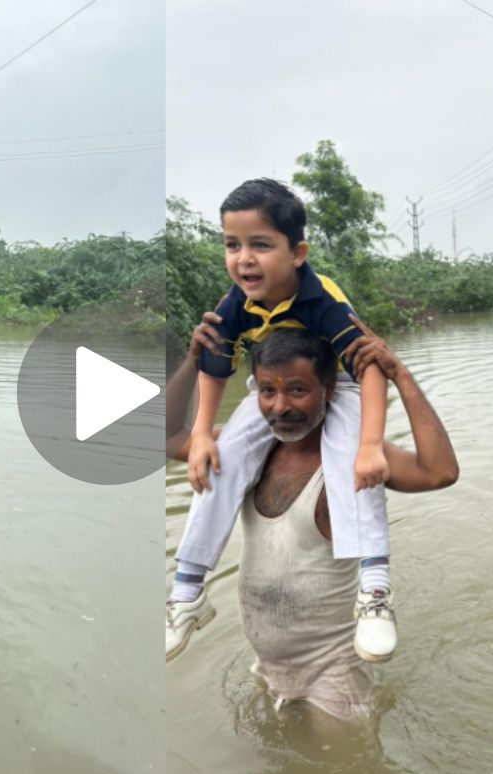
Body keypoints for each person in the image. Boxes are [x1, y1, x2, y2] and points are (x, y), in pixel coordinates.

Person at [166, 324, 459, 718]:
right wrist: (190, 363)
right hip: (267, 665)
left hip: (333, 674)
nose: (280, 406)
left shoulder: (355, 461)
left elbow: (440, 471)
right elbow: (168, 439)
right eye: (268, 391)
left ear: (329, 388)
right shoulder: (241, 451)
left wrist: (400, 375)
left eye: (298, 390)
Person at [168, 178, 396, 663]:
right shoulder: (234, 303)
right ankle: (187, 590)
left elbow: (371, 366)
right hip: (273, 389)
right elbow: (216, 364)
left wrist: (372, 443)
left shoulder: (322, 299)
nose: (244, 259)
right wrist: (205, 433)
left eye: (260, 245)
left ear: (297, 253)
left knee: (349, 460)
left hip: (344, 384)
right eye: (232, 245)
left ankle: (375, 590)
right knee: (222, 458)